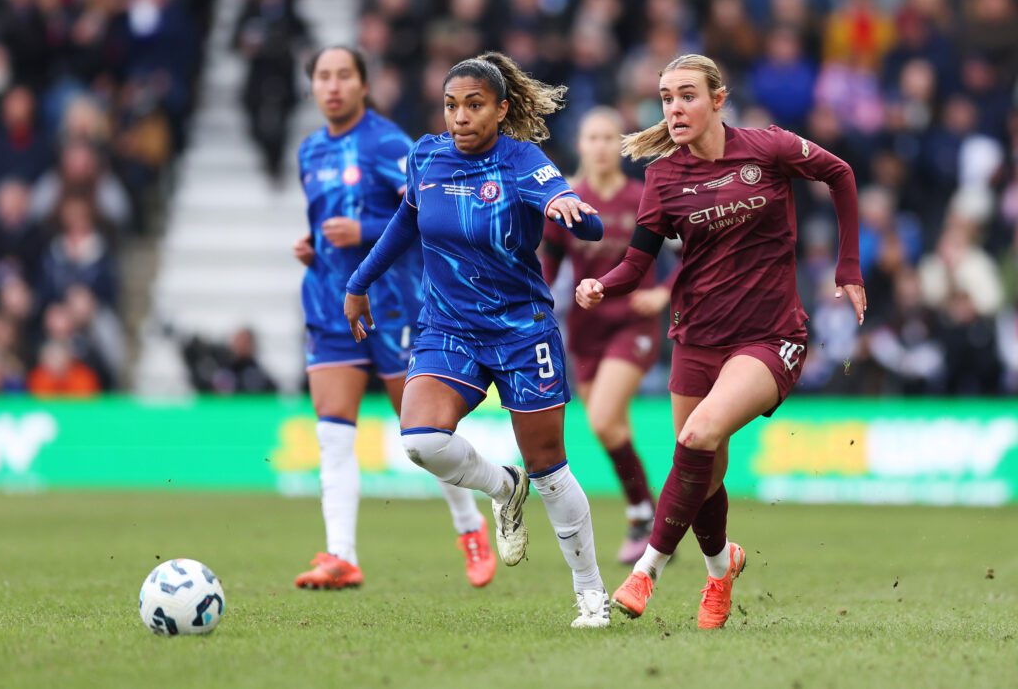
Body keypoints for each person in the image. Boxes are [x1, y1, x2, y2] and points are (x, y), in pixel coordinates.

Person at [575, 54, 865, 629]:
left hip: (770, 334)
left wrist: (848, 267)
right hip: (697, 335)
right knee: (703, 472)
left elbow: (842, 175)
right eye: (665, 98)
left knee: (699, 433)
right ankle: (719, 570)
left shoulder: (768, 148)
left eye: (686, 95)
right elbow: (637, 264)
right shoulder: (662, 177)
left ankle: (647, 571)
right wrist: (600, 286)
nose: (674, 108)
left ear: (717, 99)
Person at [345, 52, 612, 628]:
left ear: (501, 109)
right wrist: (359, 281)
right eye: (451, 106)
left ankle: (591, 592)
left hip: (521, 329)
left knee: (550, 468)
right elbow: (406, 223)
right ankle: (502, 486)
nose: (460, 117)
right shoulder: (427, 157)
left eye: (473, 105)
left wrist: (570, 209)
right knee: (420, 440)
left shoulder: (521, 162)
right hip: (450, 327)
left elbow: (588, 223)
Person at [292, 46, 496, 591]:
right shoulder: (310, 150)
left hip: (392, 306)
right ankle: (341, 555)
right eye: (323, 76)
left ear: (363, 84)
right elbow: (325, 220)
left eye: (343, 76)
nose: (332, 86)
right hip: (329, 304)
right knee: (333, 433)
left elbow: (430, 212)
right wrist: (314, 246)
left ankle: (469, 524)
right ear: (312, 86)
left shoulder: (388, 144)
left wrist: (363, 234)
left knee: (422, 432)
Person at [541, 107, 674, 564]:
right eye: (591, 138)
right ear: (580, 146)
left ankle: (644, 516)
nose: (599, 146)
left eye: (606, 138)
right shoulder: (569, 201)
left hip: (633, 321)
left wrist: (664, 296)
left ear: (620, 145)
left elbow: (692, 251)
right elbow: (550, 263)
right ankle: (646, 515)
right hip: (586, 328)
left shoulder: (643, 197)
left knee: (601, 418)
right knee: (612, 428)